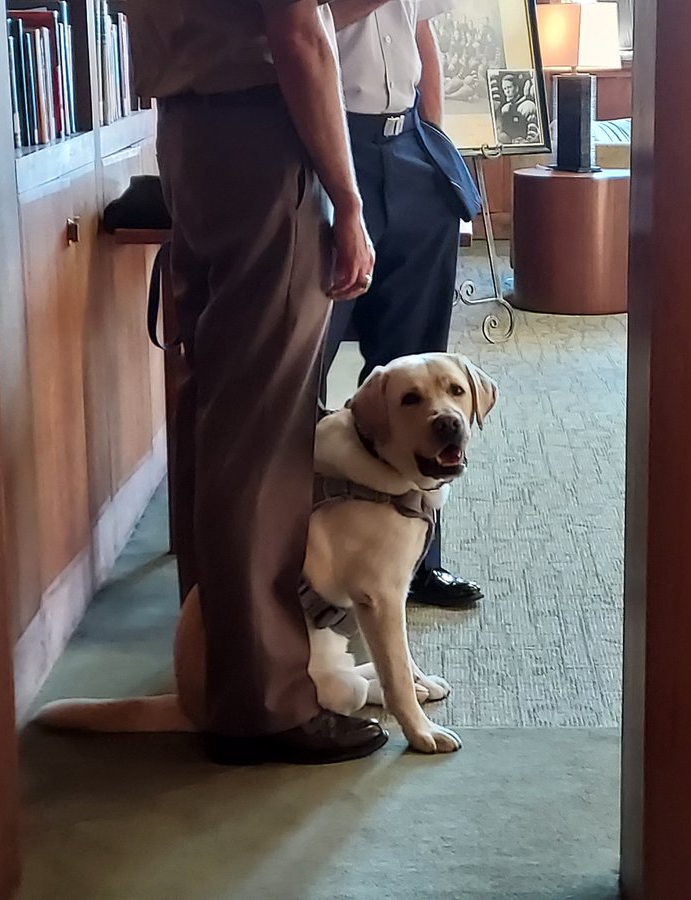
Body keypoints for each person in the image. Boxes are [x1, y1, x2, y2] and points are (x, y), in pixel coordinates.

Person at [128, 0, 387, 767]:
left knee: (214, 410)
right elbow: (298, 31)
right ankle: (262, 701)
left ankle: (213, 652)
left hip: (187, 133)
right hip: (259, 136)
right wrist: (349, 198)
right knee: (262, 432)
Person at [323, 0, 485, 610]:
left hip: (410, 142)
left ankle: (418, 561)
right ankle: (304, 558)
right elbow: (301, 25)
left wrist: (433, 147)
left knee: (420, 371)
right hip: (327, 143)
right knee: (303, 374)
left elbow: (419, 31)